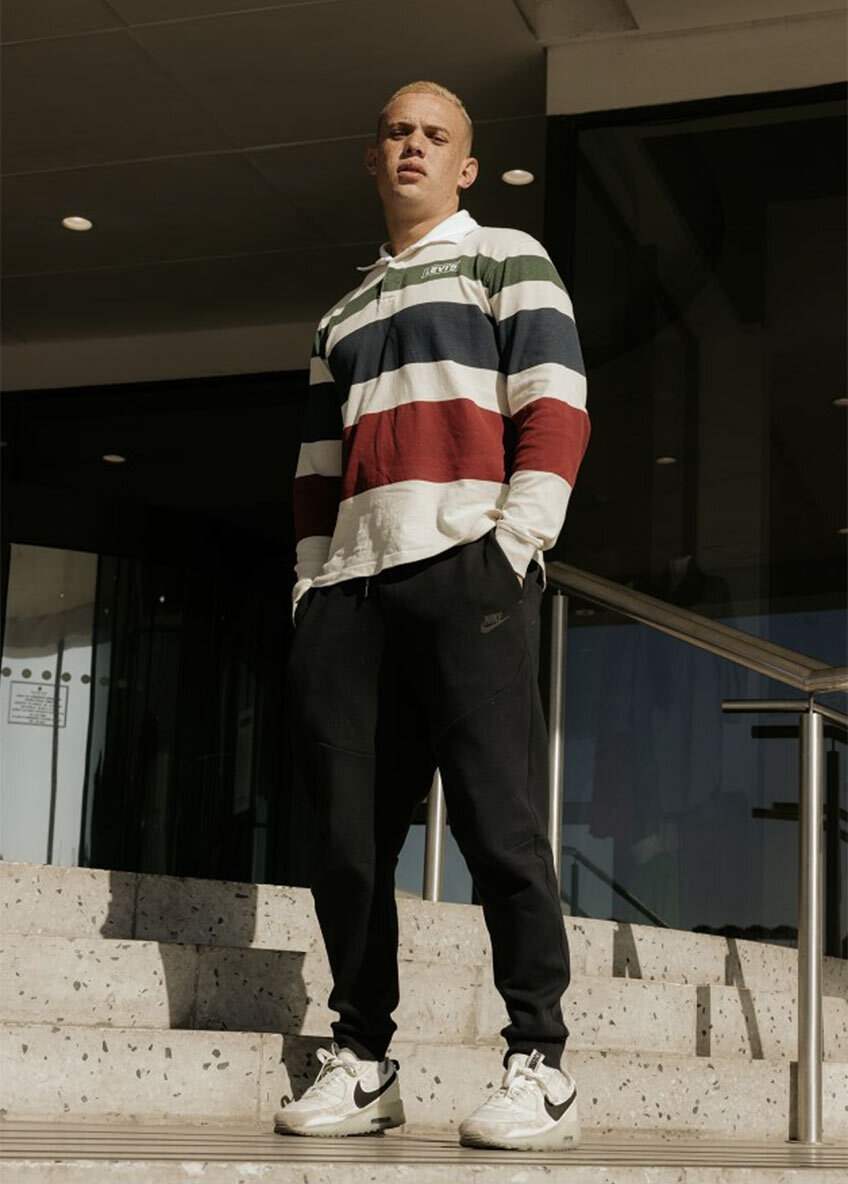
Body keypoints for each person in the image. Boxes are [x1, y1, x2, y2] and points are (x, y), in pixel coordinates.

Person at [275, 80, 590, 1152]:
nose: (412, 145)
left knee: (500, 829)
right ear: (374, 159)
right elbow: (316, 467)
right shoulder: (340, 314)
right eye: (396, 133)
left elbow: (555, 403)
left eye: (434, 135)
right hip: (350, 594)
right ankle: (364, 1060)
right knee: (348, 843)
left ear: (465, 167)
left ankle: (539, 1065)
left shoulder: (506, 257)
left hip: (467, 571)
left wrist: (512, 546)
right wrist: (311, 584)